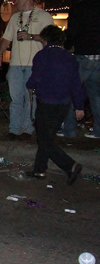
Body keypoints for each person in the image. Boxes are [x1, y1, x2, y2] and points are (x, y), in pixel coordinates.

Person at [26, 25, 84, 184]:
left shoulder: (42, 56)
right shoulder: (70, 58)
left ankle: (70, 165)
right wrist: (79, 106)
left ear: (45, 40)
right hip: (63, 104)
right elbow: (76, 84)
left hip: (47, 103)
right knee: (47, 137)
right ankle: (39, 170)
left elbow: (36, 78)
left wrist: (29, 85)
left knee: (44, 140)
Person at [0, 0, 54, 141]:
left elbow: (50, 38)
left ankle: (27, 129)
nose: (15, 1)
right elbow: (7, 39)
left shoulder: (43, 16)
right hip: (15, 64)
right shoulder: (15, 18)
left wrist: (30, 36)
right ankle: (13, 129)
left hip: (35, 64)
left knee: (30, 99)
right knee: (16, 98)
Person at [62, 0, 100, 139]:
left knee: (72, 91)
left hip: (84, 55)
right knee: (96, 95)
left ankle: (69, 130)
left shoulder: (77, 8)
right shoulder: (97, 6)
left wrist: (66, 45)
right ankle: (98, 130)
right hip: (98, 55)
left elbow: (73, 31)